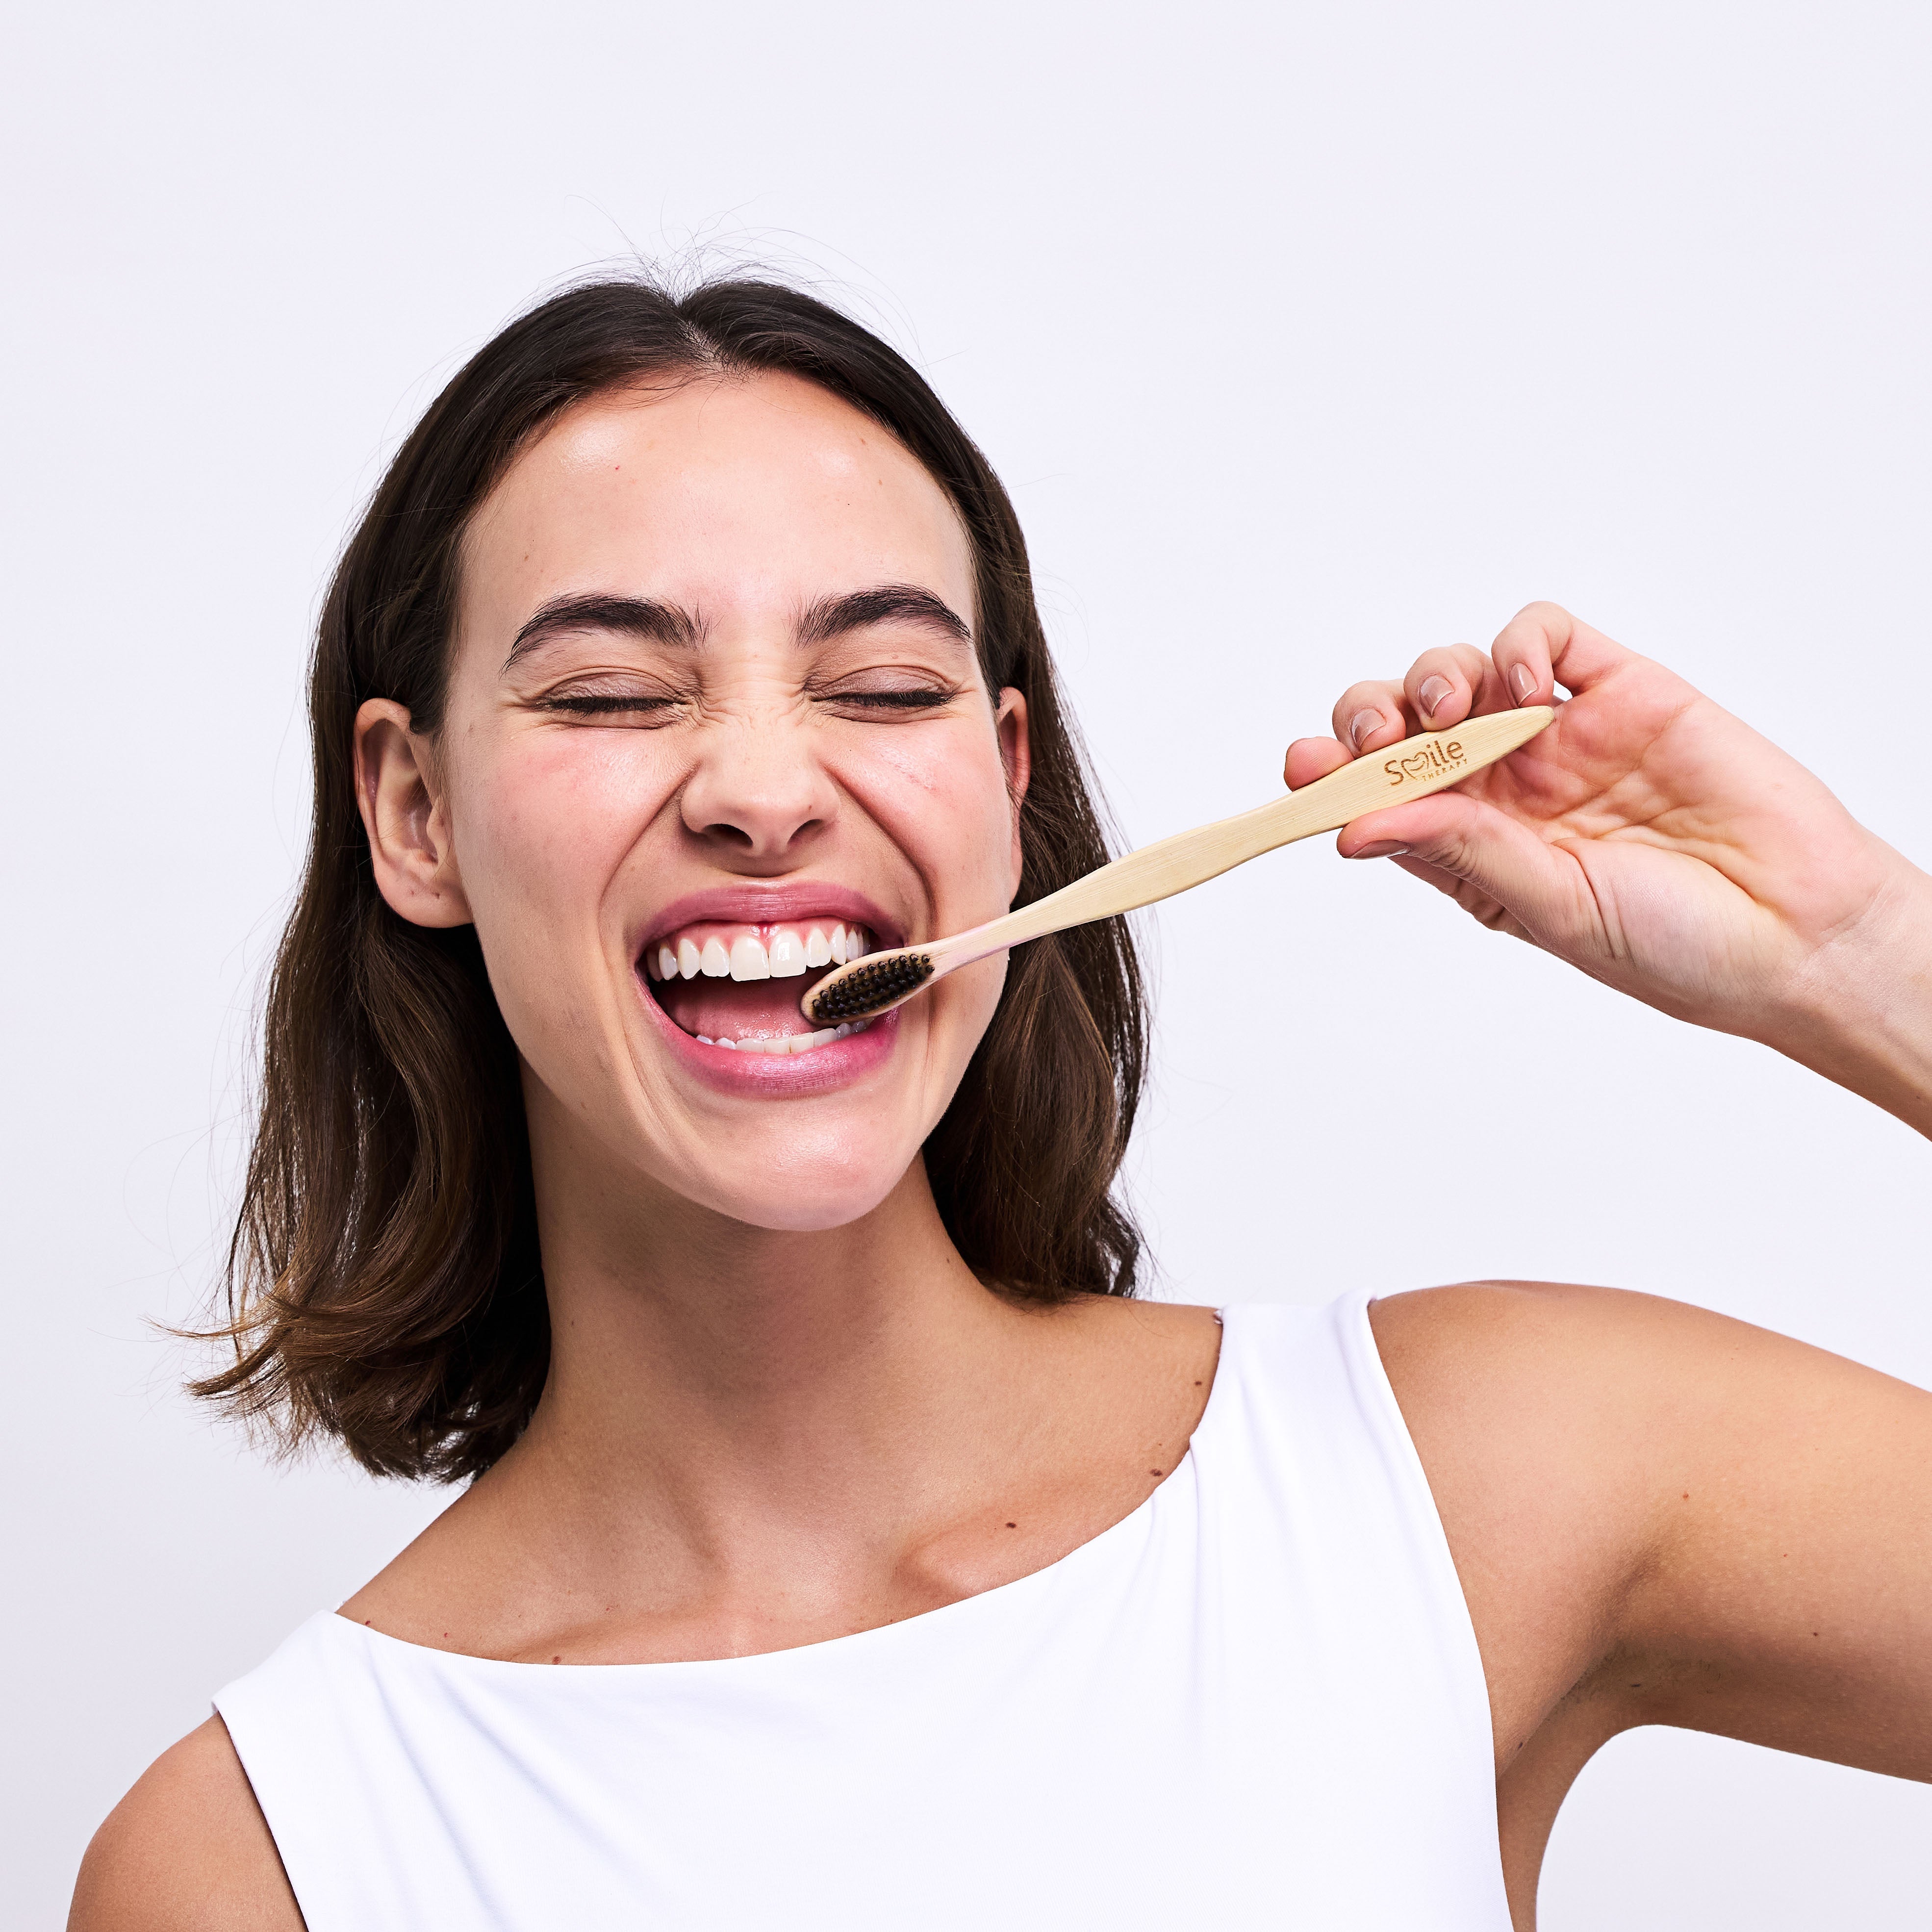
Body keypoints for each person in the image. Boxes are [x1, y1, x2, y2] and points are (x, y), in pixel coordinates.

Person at [69, 278, 1932, 1932]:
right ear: (415, 812)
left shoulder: (1475, 1477)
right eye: (617, 691)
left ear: (1003, 775)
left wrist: (1855, 957)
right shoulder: (257, 1862)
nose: (763, 784)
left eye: (881, 683)